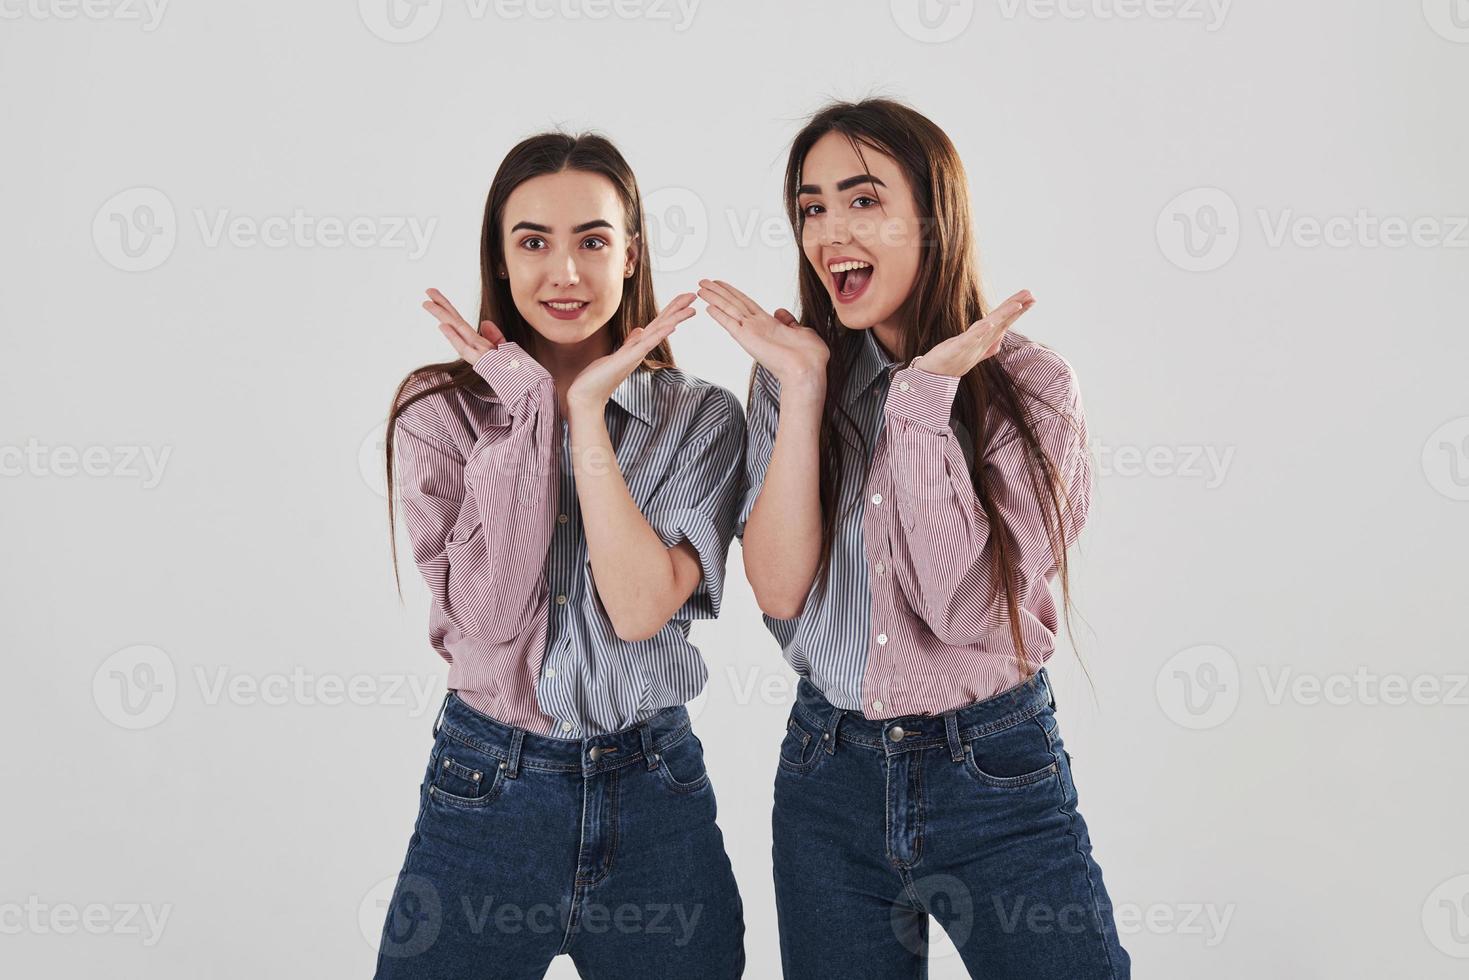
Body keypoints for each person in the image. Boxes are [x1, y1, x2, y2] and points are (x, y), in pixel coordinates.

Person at [700, 97, 1130, 979]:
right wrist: (807, 388)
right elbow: (778, 592)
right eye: (811, 206)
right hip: (828, 775)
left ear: (934, 219)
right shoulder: (792, 374)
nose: (828, 230)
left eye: (862, 200)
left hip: (994, 775)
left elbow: (968, 608)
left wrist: (920, 405)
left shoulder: (1030, 386)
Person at [375, 131, 746, 979]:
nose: (566, 273)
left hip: (656, 798)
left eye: (593, 240)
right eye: (533, 242)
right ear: (500, 262)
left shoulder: (703, 418)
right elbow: (494, 613)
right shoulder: (436, 414)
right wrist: (530, 410)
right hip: (486, 795)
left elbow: (641, 607)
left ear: (631, 255)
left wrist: (585, 416)